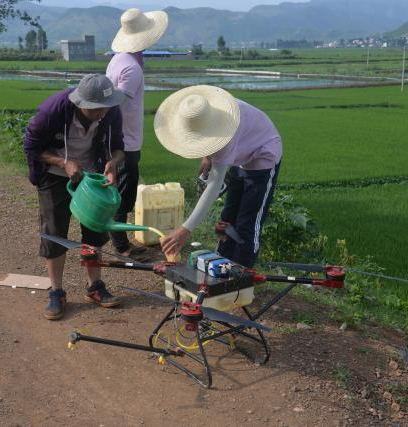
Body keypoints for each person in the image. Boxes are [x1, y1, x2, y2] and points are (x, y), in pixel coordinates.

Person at [23, 74, 125, 320]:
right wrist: (63, 162)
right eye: (95, 109)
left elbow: (119, 146)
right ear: (81, 104)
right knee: (55, 232)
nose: (102, 113)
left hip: (93, 174)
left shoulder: (110, 110)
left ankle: (94, 286)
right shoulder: (53, 111)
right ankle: (56, 291)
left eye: (105, 108)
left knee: (95, 229)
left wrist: (113, 163)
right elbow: (31, 146)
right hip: (55, 174)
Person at [156, 85, 282, 268]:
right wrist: (208, 156)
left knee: (247, 222)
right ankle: (222, 262)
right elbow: (208, 137)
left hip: (263, 154)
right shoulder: (206, 114)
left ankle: (242, 274)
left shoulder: (226, 132)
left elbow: (214, 187)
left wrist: (185, 230)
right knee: (227, 217)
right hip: (241, 154)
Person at [105, 8, 169, 261]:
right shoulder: (132, 69)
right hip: (126, 141)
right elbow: (116, 104)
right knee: (124, 192)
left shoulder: (119, 59)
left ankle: (119, 239)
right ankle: (121, 246)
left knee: (120, 190)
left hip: (120, 137)